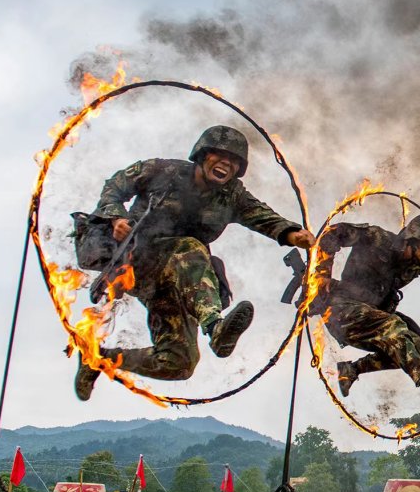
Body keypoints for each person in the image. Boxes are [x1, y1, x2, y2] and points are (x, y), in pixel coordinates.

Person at [75, 125, 316, 400]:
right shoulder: (163, 171)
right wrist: (117, 218)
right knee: (191, 248)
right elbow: (116, 185)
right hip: (137, 259)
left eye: (235, 161)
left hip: (173, 283)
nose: (227, 163)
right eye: (219, 155)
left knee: (179, 362)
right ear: (202, 155)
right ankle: (216, 328)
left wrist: (292, 234)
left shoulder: (233, 196)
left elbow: (261, 216)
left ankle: (97, 359)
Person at [317, 214, 420, 405]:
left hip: (373, 320)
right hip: (342, 310)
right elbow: (332, 234)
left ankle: (352, 369)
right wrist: (322, 273)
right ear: (410, 240)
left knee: (414, 343)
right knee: (393, 325)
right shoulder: (376, 238)